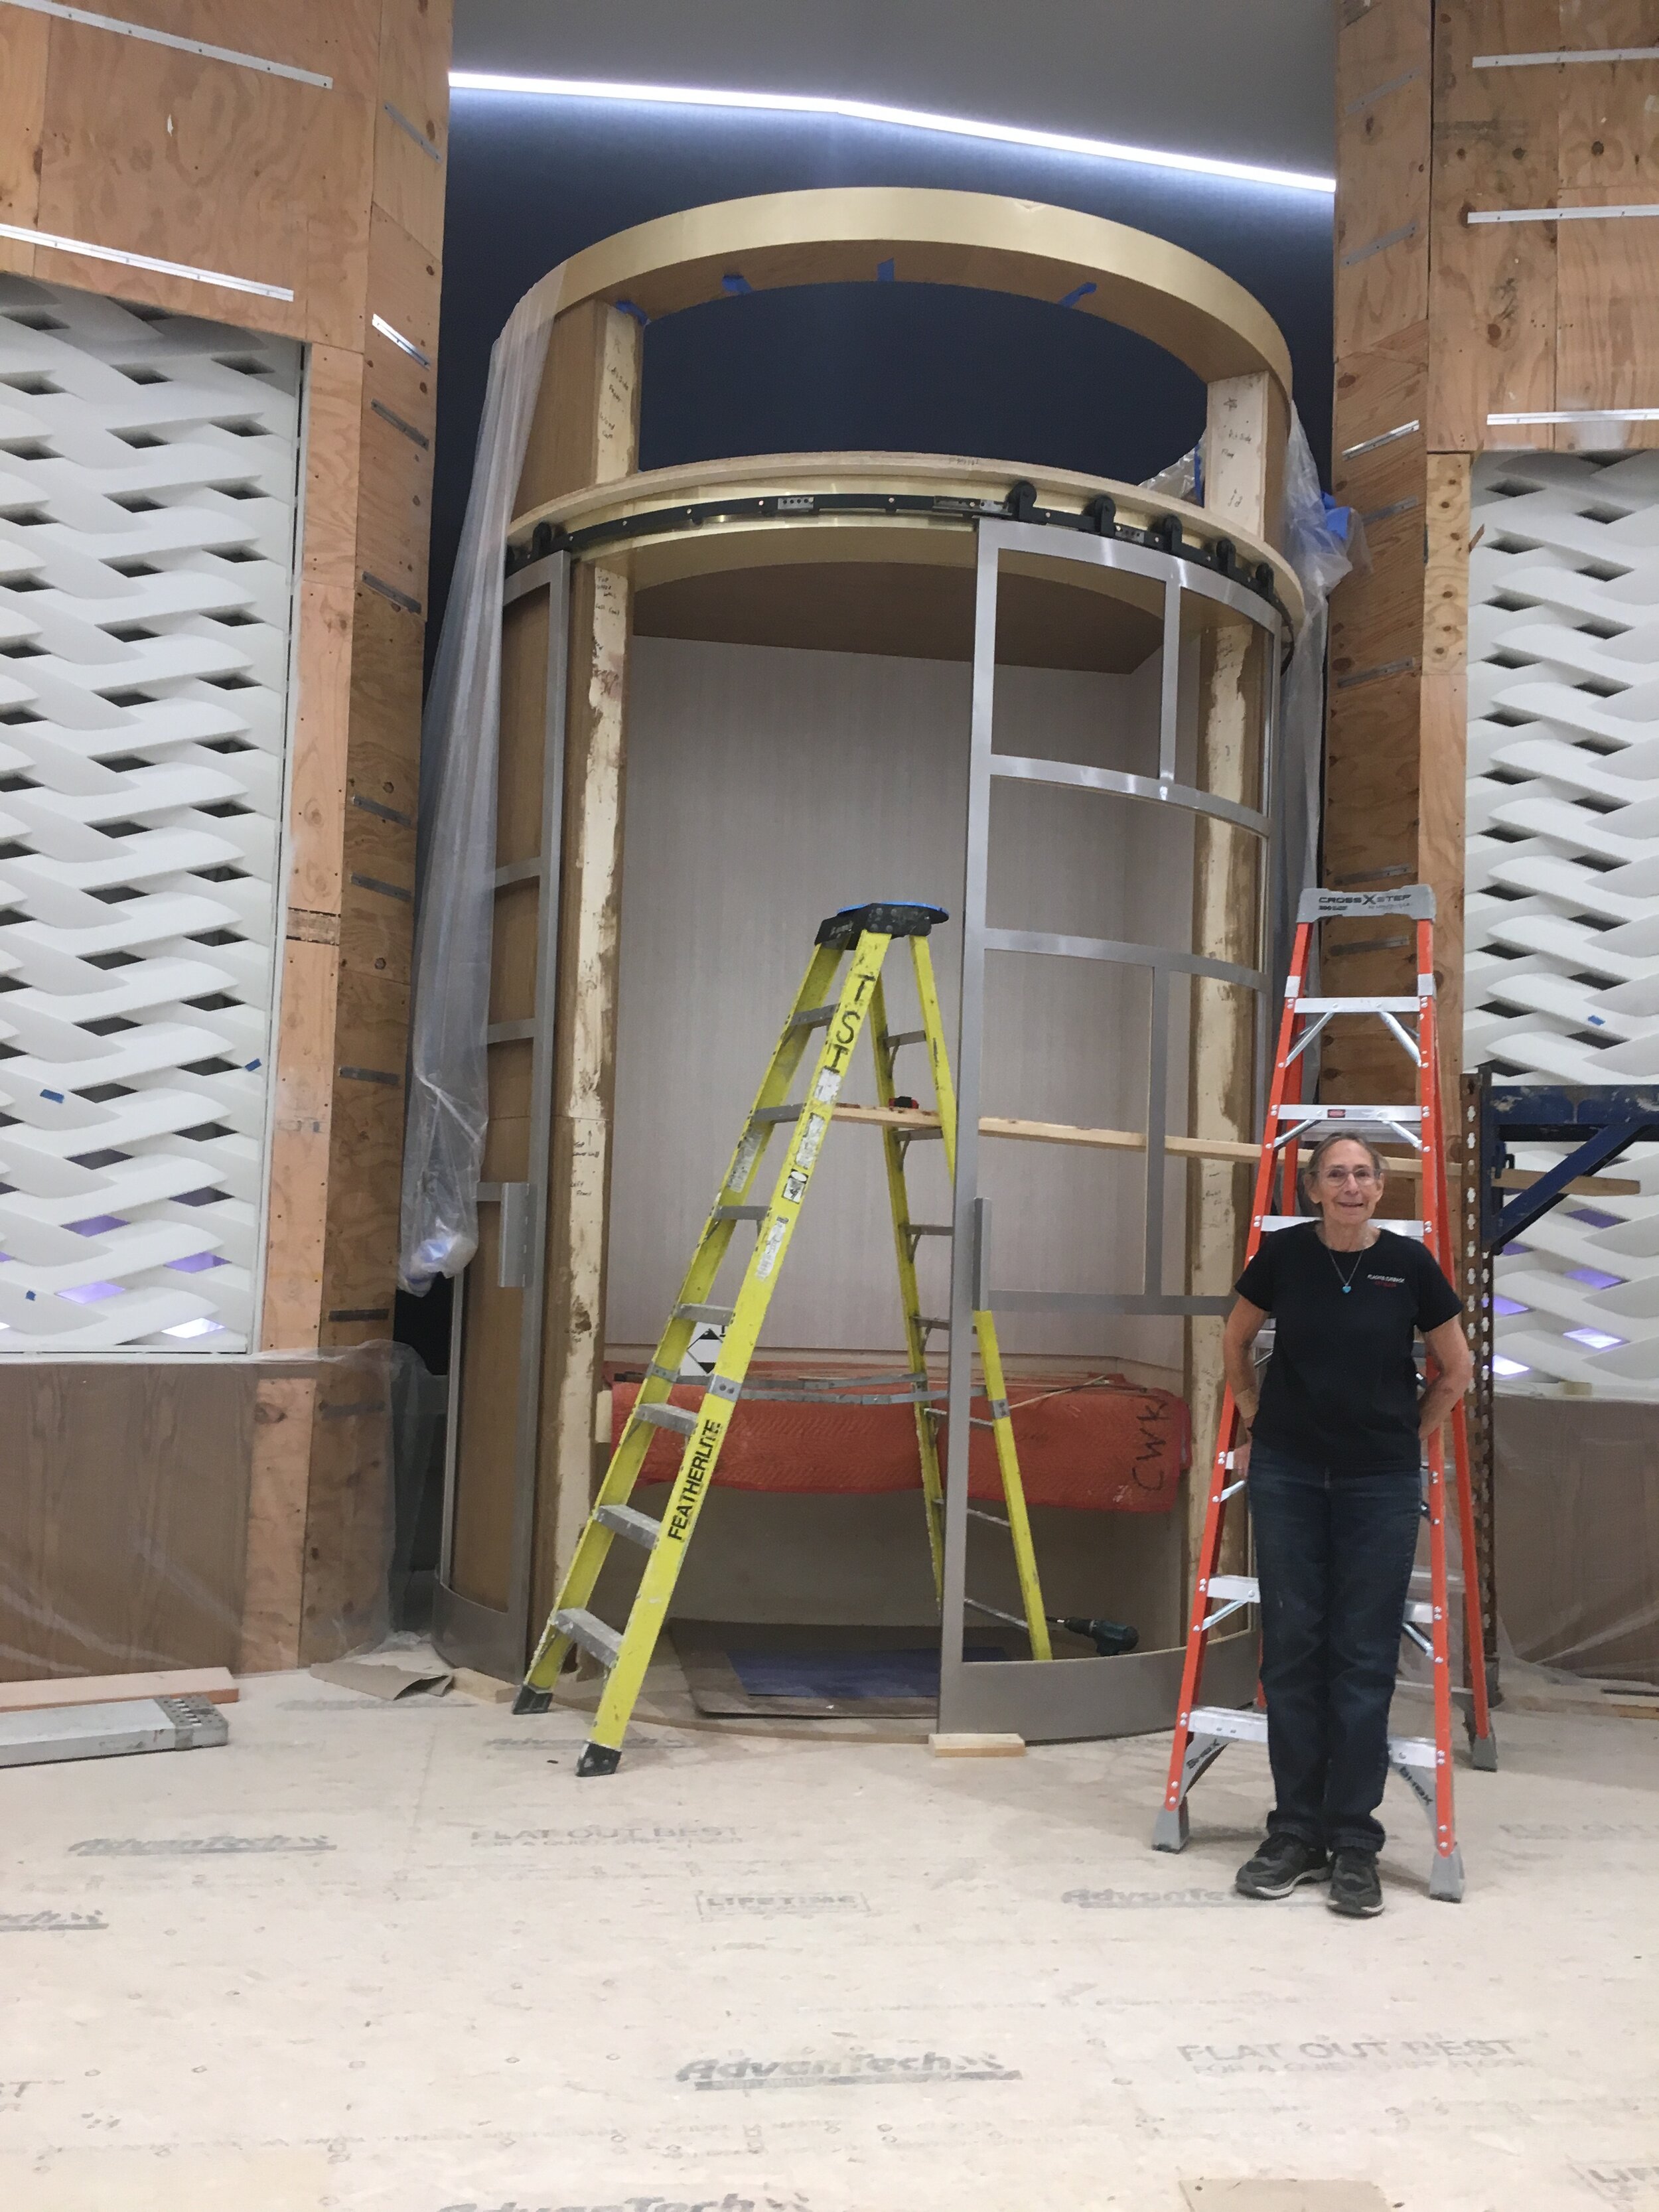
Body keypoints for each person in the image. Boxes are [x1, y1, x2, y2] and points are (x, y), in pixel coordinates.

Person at [1222, 1132, 1472, 1918]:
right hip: (1290, 1475)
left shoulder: (1409, 1265)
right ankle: (1293, 1832)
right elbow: (1233, 1340)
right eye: (1336, 1174)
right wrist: (1255, 1413)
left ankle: (1353, 1841)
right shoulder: (1284, 1259)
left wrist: (1410, 1436)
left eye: (1363, 1174)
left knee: (1361, 1658)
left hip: (1377, 1484)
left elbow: (1456, 1367)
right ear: (1313, 1186)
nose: (1351, 1186)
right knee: (1293, 1652)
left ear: (1380, 1186)